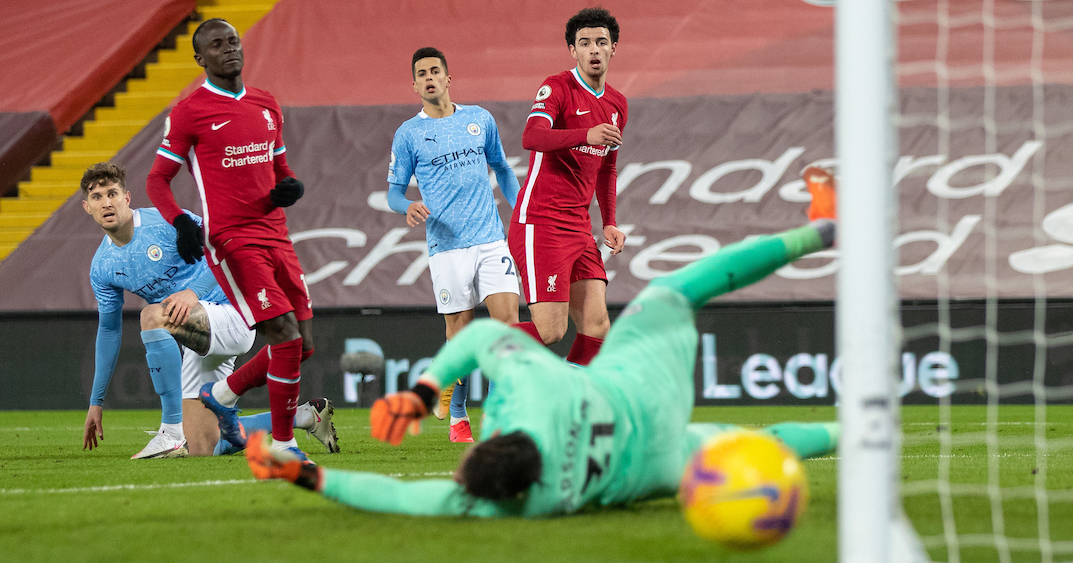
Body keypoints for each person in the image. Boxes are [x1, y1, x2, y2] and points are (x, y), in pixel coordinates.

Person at [246, 216, 838, 518]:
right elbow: (478, 339)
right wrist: (423, 393)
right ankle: (815, 235)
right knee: (671, 294)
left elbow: (394, 500)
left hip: (656, 461)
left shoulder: (523, 503)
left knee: (752, 447)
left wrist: (303, 477)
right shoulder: (536, 387)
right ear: (498, 441)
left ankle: (855, 430)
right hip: (636, 387)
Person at [79, 163, 339, 458]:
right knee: (204, 447)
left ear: (127, 197)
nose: (106, 202)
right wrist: (96, 402)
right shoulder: (103, 267)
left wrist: (193, 293)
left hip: (234, 310)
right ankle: (305, 417)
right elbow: (110, 330)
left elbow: (230, 246)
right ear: (87, 207)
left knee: (152, 315)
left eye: (112, 193)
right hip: (197, 334)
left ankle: (170, 432)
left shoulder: (166, 222)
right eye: (97, 197)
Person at [146, 18, 316, 461]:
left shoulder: (266, 104)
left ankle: (223, 392)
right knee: (284, 336)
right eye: (217, 45)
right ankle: (284, 446)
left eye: (234, 42)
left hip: (277, 234)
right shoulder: (189, 111)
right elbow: (157, 181)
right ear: (201, 58)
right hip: (232, 239)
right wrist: (183, 222)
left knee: (304, 343)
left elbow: (282, 170)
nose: (229, 50)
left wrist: (291, 186)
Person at [387, 47, 522, 443]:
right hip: (447, 247)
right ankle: (458, 415)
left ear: (448, 78)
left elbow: (503, 168)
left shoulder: (480, 119)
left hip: (491, 238)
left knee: (506, 328)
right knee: (460, 337)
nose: (429, 78)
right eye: (422, 74)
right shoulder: (408, 134)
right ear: (414, 85)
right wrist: (407, 206)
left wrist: (521, 209)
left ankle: (494, 416)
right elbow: (394, 193)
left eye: (435, 71)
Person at [507, 7, 628, 365]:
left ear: (613, 49)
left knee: (597, 325)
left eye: (601, 42)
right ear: (573, 51)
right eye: (585, 43)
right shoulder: (557, 87)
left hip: (579, 227)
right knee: (550, 331)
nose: (594, 49)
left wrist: (609, 221)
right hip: (541, 222)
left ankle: (570, 409)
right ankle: (463, 355)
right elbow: (531, 136)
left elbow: (607, 167)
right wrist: (584, 134)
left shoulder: (617, 104)